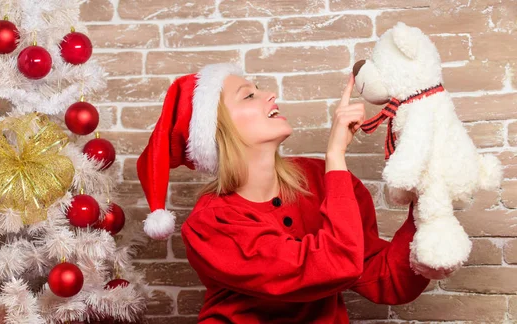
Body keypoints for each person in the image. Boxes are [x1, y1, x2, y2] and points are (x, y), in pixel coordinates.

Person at [136, 63, 457, 323]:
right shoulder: (209, 225)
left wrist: (430, 191)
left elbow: (385, 279)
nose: (269, 95)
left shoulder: (321, 180)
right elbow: (331, 264)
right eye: (248, 96)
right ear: (217, 132)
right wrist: (336, 157)